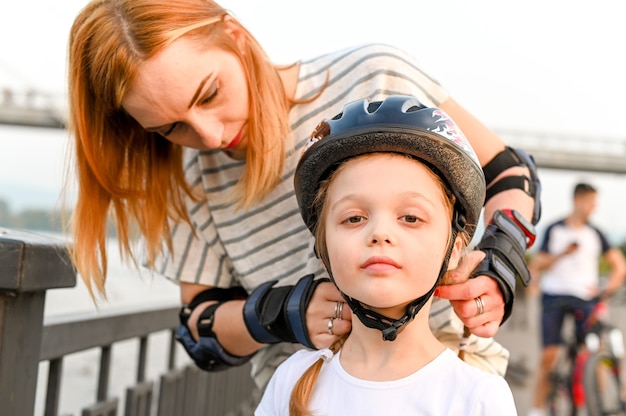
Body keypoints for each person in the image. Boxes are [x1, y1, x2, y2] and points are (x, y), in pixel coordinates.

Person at [67, 0, 541, 391]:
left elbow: (509, 173)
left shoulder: (372, 77)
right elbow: (202, 329)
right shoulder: (184, 179)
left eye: (209, 94)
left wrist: (498, 261)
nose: (209, 136)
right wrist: (284, 313)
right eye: (170, 128)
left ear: (234, 35)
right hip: (304, 395)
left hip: (444, 380)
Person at [256, 95, 517, 415]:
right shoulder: (290, 381)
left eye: (410, 218)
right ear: (323, 248)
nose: (380, 233)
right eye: (353, 218)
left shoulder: (479, 397)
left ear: (455, 249)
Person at [527, 182, 626, 416]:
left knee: (595, 352)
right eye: (591, 202)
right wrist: (562, 254)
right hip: (554, 296)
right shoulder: (554, 230)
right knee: (548, 357)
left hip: (585, 298)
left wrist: (605, 292)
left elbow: (619, 266)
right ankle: (537, 409)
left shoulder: (597, 233)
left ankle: (596, 404)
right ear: (577, 200)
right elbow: (537, 264)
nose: (594, 207)